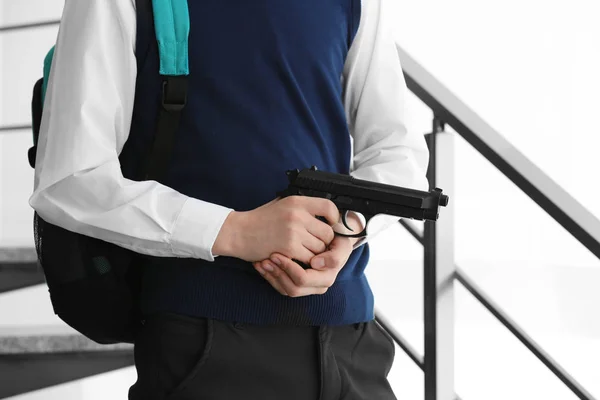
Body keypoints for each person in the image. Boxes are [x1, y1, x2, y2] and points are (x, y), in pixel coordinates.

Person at [29, 0, 429, 398]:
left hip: (351, 337)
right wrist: (234, 231)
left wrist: (347, 231)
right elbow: (70, 178)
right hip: (204, 339)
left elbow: (398, 152)